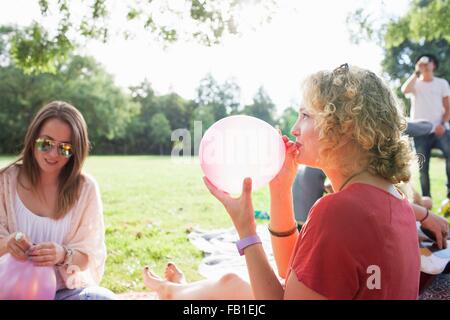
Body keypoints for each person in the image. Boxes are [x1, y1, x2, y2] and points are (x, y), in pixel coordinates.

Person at [143, 64, 423, 299]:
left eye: (305, 116)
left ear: (345, 127)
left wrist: (246, 229)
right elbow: (296, 273)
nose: (293, 129)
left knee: (232, 290)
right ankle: (174, 291)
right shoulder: (396, 199)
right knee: (231, 284)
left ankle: (172, 293)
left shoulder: (340, 210)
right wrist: (280, 191)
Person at [0, 101, 116, 300]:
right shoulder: (5, 181)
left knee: (102, 298)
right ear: (33, 139)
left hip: (62, 294)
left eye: (64, 148)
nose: (53, 154)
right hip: (7, 289)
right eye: (45, 143)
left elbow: (88, 256)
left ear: (75, 151)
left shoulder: (86, 188)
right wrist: (8, 244)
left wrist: (62, 254)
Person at [293, 120, 448, 249]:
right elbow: (375, 201)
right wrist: (423, 212)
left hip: (303, 225)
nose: (294, 130)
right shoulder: (350, 177)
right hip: (309, 230)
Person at [401, 54, 450, 199]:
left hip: (440, 129)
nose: (425, 65)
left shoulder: (442, 83)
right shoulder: (415, 84)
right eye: (421, 63)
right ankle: (426, 198)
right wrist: (416, 72)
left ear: (433, 65)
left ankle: (449, 193)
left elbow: (448, 107)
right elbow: (404, 90)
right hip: (420, 132)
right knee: (423, 167)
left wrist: (442, 124)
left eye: (428, 62)